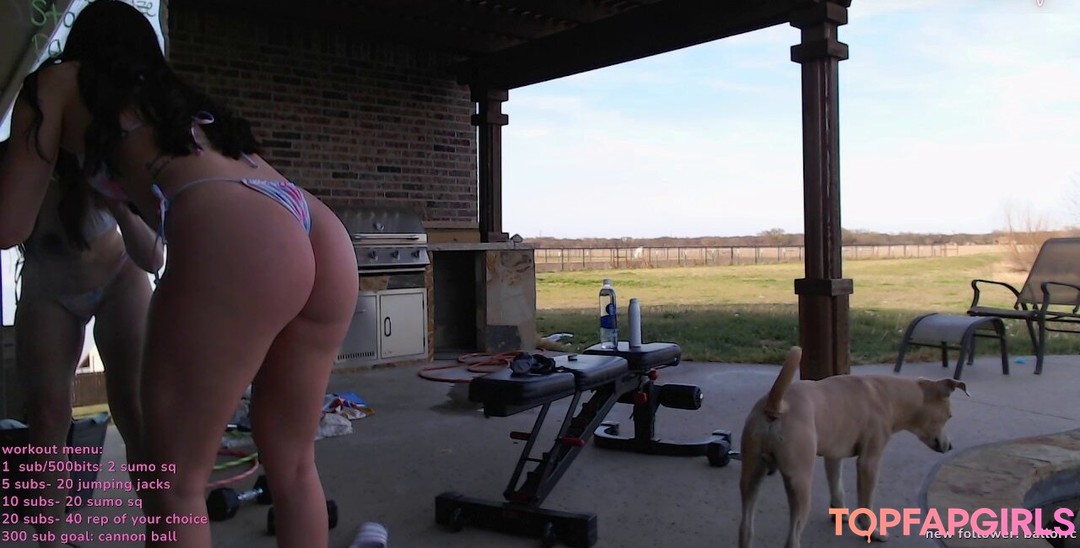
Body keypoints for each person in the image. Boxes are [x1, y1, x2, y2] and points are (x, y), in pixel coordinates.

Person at [0, 1, 360, 546]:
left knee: (174, 485)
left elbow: (8, 225)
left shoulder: (56, 82)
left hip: (244, 237)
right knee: (293, 466)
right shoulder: (171, 102)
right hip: (312, 224)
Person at [2, 140, 163, 547]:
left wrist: (117, 204)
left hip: (119, 278)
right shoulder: (18, 156)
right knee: (46, 416)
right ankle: (51, 541)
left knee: (134, 409)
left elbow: (154, 257)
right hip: (48, 288)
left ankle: (163, 533)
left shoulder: (105, 152)